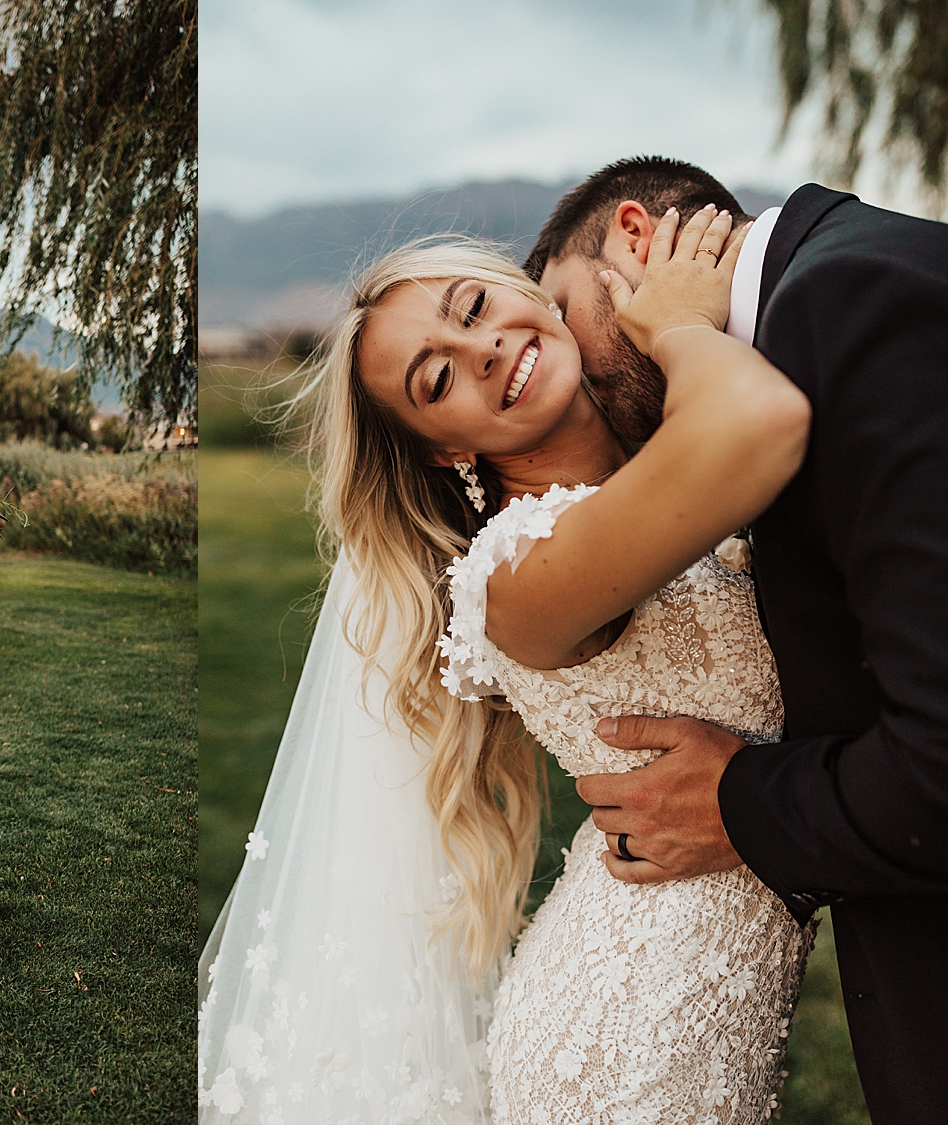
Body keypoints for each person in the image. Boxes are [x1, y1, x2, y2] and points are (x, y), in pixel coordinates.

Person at [200, 206, 815, 1123]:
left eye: (476, 305)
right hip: (621, 1044)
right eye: (438, 374)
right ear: (447, 446)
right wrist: (680, 324)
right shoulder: (517, 575)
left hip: (702, 1007)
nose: (482, 347)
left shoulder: (652, 476)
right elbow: (764, 418)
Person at [530, 155, 948, 1124]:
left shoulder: (850, 308)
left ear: (634, 240)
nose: (574, 382)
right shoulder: (830, 302)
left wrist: (739, 801)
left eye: (563, 317)